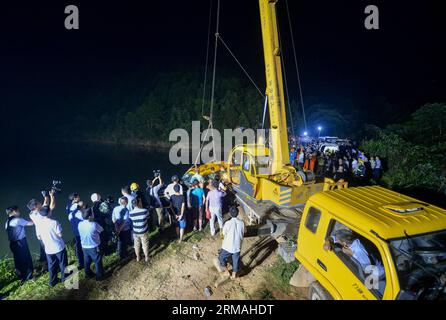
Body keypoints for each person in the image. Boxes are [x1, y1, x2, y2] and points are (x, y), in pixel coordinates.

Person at [37, 191, 68, 287]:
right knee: (63, 264)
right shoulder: (54, 222)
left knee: (51, 265)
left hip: (48, 249)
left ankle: (52, 281)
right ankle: (64, 279)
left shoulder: (39, 224)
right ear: (49, 212)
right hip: (58, 247)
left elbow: (39, 237)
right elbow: (60, 234)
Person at [214, 206, 245, 279]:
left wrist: (222, 238)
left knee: (221, 258)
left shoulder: (228, 223)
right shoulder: (242, 223)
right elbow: (245, 231)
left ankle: (226, 271)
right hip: (237, 246)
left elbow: (222, 235)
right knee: (236, 260)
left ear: (230, 214)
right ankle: (234, 274)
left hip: (227, 246)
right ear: (237, 214)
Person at [5, 206, 34, 282]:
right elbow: (31, 223)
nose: (19, 212)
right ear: (14, 211)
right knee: (26, 258)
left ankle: (21, 277)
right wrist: (33, 216)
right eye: (18, 211)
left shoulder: (7, 222)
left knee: (18, 260)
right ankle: (29, 277)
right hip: (20, 242)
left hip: (12, 244)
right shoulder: (17, 220)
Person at [27, 192, 54, 272]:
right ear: (35, 206)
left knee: (43, 250)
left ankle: (45, 267)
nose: (40, 203)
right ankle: (51, 267)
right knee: (50, 250)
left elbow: (45, 203)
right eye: (38, 203)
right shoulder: (41, 214)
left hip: (40, 235)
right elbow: (49, 205)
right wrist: (49, 196)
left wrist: (45, 196)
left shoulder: (31, 214)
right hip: (46, 235)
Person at [77, 208, 104, 281]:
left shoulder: (80, 224)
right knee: (97, 261)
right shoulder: (94, 224)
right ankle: (99, 276)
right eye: (92, 213)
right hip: (94, 246)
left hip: (84, 246)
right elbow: (101, 230)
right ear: (89, 216)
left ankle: (87, 274)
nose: (93, 214)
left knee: (87, 260)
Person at [66, 195, 84, 270]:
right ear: (75, 198)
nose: (79, 198)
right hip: (82, 231)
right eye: (78, 197)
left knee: (78, 247)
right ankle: (87, 260)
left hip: (76, 232)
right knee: (85, 246)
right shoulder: (79, 212)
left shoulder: (69, 212)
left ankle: (81, 262)